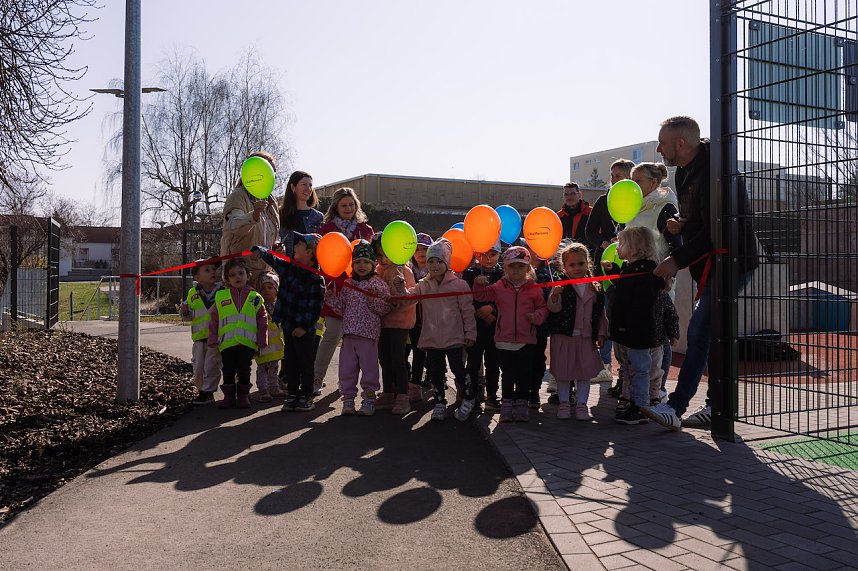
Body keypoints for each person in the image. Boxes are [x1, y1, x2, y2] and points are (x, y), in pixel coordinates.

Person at [643, 115, 759, 431]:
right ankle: (715, 406)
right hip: (709, 264)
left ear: (681, 143)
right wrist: (682, 222)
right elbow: (701, 219)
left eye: (663, 142)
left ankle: (678, 407)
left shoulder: (717, 170)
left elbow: (718, 230)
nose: (658, 148)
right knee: (706, 334)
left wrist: (675, 260)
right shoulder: (683, 171)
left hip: (732, 262)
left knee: (700, 332)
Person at [401, 238, 476, 422]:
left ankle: (469, 396)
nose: (434, 265)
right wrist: (399, 287)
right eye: (430, 261)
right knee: (436, 371)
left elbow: (467, 312)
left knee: (458, 369)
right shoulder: (424, 285)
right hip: (432, 337)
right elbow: (409, 298)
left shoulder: (459, 285)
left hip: (454, 337)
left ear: (447, 263)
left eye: (438, 261)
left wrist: (470, 333)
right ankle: (440, 402)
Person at [473, 246, 548, 423]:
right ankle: (506, 408)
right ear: (505, 268)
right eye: (512, 266)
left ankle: (521, 406)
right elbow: (481, 296)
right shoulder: (499, 286)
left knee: (523, 374)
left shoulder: (534, 288)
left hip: (526, 340)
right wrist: (478, 283)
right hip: (503, 340)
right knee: (507, 374)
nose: (516, 270)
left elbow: (543, 308)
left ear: (528, 268)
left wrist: (537, 317)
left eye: (521, 266)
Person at [252, 232, 326, 412]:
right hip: (288, 324)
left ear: (309, 252)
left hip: (303, 329)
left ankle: (306, 395)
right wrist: (260, 250)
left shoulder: (316, 278)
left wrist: (303, 326)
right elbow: (273, 259)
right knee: (290, 362)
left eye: (299, 244)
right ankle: (292, 393)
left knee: (305, 363)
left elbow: (315, 307)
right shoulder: (289, 268)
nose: (294, 246)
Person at [626, 162, 682, 396]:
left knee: (659, 336)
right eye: (632, 180)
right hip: (634, 281)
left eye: (638, 180)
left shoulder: (665, 206)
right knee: (639, 335)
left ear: (654, 182)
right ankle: (636, 387)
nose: (633, 185)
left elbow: (675, 245)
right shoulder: (630, 207)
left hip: (657, 279)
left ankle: (658, 389)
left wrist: (666, 275)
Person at [602, 227, 666, 425]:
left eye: (622, 243)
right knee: (631, 368)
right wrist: (615, 271)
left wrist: (617, 286)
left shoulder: (645, 272)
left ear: (635, 247)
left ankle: (640, 406)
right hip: (631, 329)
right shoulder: (635, 269)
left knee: (639, 368)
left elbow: (634, 296)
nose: (617, 247)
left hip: (637, 329)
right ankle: (633, 402)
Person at [314, 187, 375, 394]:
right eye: (343, 205)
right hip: (335, 289)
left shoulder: (366, 230)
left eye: (351, 204)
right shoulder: (326, 230)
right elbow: (320, 258)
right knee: (331, 334)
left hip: (360, 290)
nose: (348, 208)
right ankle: (316, 377)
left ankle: (346, 383)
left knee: (353, 341)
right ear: (336, 207)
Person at [327, 240, 391, 416]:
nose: (361, 266)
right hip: (348, 335)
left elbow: (386, 308)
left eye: (366, 262)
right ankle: (348, 400)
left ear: (373, 264)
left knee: (369, 370)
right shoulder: (348, 285)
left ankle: (368, 400)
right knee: (347, 369)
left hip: (369, 335)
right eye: (357, 262)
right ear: (353, 264)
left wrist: (374, 301)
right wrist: (331, 299)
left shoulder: (378, 284)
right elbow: (341, 308)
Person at [586, 158, 634, 387]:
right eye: (612, 175)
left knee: (622, 318)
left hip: (628, 268)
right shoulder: (603, 200)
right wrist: (605, 243)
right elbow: (589, 232)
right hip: (604, 265)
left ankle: (624, 371)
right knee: (604, 314)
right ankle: (604, 365)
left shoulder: (637, 200)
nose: (613, 179)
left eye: (618, 175)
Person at [546, 242, 608, 420]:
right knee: (564, 373)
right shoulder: (560, 286)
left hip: (586, 337)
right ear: (564, 266)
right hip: (564, 337)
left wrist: (601, 333)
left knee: (584, 373)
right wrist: (555, 295)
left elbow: (600, 314)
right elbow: (553, 309)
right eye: (571, 265)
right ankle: (564, 403)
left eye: (581, 263)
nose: (576, 268)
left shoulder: (594, 287)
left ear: (587, 263)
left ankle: (582, 405)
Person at [207, 258, 268, 410]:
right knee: (227, 369)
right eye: (232, 275)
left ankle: (242, 396)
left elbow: (262, 319)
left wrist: (262, 339)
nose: (237, 277)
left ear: (248, 275)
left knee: (244, 369)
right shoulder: (221, 297)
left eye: (241, 273)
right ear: (227, 279)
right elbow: (214, 319)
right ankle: (229, 397)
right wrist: (213, 338)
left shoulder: (255, 298)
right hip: (227, 343)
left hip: (247, 342)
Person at [220, 151, 280, 288]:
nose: (272, 174)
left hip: (265, 277)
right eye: (268, 169)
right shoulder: (237, 196)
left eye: (274, 170)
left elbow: (272, 233)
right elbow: (234, 225)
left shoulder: (271, 201)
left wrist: (277, 245)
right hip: (240, 277)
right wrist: (253, 216)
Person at [373, 236, 416, 415]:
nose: (383, 260)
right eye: (379, 256)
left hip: (400, 322)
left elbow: (413, 295)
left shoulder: (403, 270)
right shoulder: (377, 270)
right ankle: (388, 392)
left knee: (398, 358)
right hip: (383, 321)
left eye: (386, 255)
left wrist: (401, 294)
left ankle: (403, 396)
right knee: (384, 358)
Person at [462, 240, 504, 411]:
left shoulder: (503, 274)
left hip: (495, 327)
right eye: (484, 254)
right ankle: (474, 395)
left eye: (493, 254)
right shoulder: (470, 272)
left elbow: (506, 298)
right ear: (477, 254)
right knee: (473, 362)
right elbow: (465, 298)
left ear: (499, 254)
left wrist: (492, 309)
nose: (488, 258)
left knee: (493, 363)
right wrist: (480, 310)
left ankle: (492, 396)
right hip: (475, 327)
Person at [180, 259, 223, 405]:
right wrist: (184, 311)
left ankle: (208, 392)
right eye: (207, 270)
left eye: (213, 269)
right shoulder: (192, 293)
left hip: (215, 338)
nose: (212, 272)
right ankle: (200, 389)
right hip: (199, 338)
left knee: (212, 366)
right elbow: (188, 316)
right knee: (198, 366)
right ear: (197, 277)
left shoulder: (222, 292)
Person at [406, 232, 433, 400]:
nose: (421, 253)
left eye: (425, 249)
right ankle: (413, 381)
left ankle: (431, 377)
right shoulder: (408, 268)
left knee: (431, 349)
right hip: (413, 315)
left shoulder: (435, 267)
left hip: (432, 315)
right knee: (416, 348)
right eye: (417, 249)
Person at [253, 271, 287, 402]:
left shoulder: (279, 306)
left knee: (274, 368)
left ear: (276, 290)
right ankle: (263, 390)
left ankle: (274, 387)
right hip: (263, 345)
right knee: (263, 369)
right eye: (263, 288)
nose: (266, 291)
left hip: (276, 346)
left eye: (270, 287)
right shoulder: (259, 307)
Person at [279, 170, 324, 258]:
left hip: (311, 269)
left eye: (310, 185)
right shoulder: (280, 214)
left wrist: (310, 241)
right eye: (304, 185)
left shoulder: (318, 217)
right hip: (287, 268)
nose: (308, 189)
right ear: (293, 187)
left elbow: (321, 248)